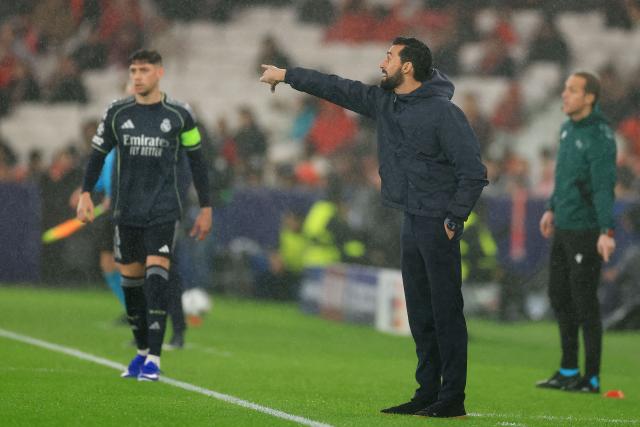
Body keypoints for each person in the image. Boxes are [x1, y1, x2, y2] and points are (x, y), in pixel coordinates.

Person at [260, 36, 488, 418]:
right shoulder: (387, 102)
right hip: (411, 218)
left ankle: (453, 398)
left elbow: (474, 173)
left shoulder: (444, 113)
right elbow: (336, 87)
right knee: (419, 310)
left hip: (437, 222)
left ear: (408, 67)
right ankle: (427, 392)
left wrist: (454, 217)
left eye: (389, 56)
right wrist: (286, 75)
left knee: (445, 310)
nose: (382, 63)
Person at [76, 49, 212, 381]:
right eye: (133, 70)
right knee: (132, 285)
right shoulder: (116, 112)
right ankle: (140, 352)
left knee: (156, 279)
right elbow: (96, 156)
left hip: (164, 210)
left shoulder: (180, 115)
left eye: (144, 70)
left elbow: (197, 161)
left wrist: (206, 207)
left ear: (160, 73)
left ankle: (154, 357)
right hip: (126, 211)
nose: (137, 76)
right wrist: (85, 194)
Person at [537, 71, 617, 394]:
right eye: (565, 89)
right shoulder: (567, 129)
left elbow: (603, 187)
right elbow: (564, 175)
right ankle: (569, 369)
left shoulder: (600, 135)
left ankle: (592, 377)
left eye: (572, 90)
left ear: (589, 98)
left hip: (586, 230)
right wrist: (552, 207)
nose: (564, 95)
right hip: (564, 225)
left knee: (585, 302)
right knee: (559, 295)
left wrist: (605, 230)